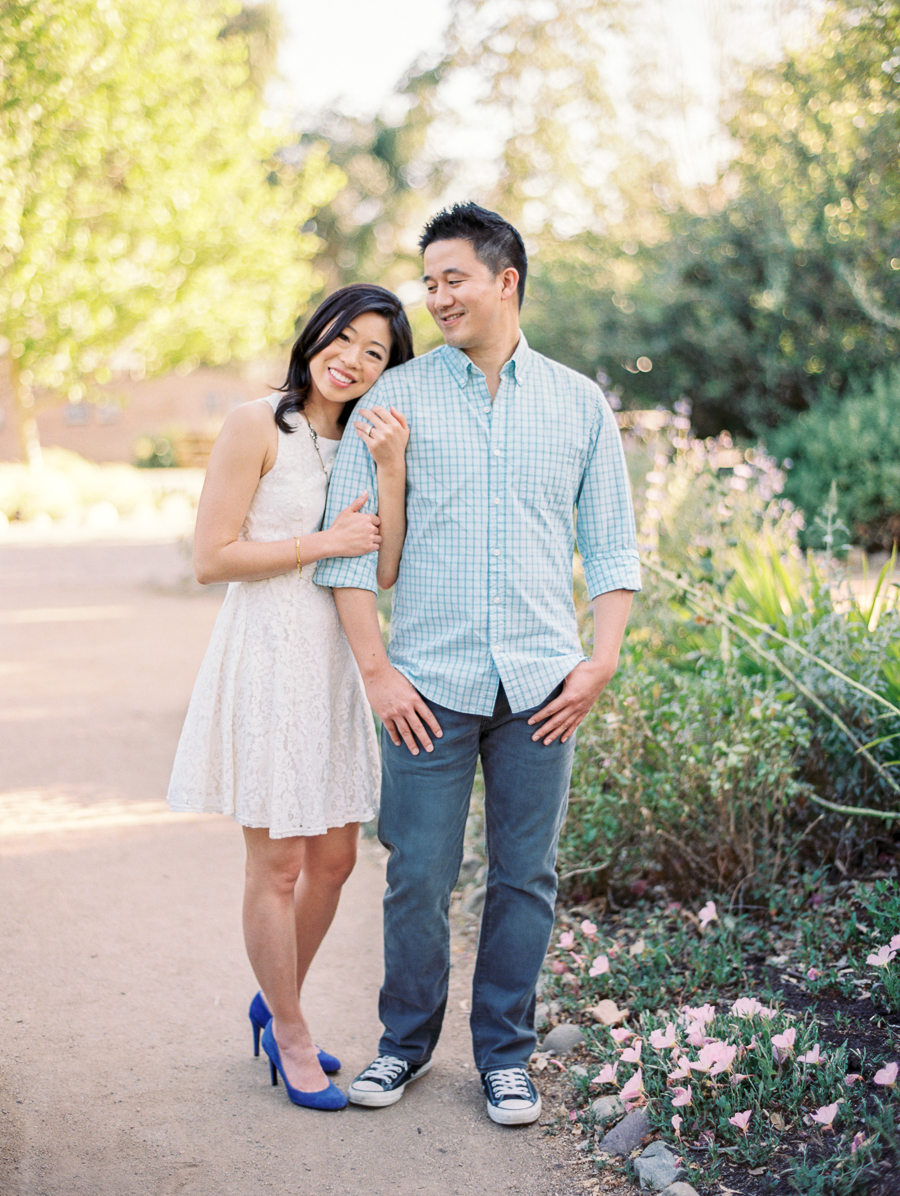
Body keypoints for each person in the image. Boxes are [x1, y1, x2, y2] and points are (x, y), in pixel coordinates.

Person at [316, 204, 641, 1125]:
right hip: (428, 682)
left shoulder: (579, 403)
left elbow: (613, 551)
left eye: (452, 278)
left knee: (524, 876)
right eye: (429, 282)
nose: (437, 296)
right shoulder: (396, 400)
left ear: (506, 280)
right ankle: (403, 1047)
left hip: (544, 686)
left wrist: (600, 661)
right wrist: (377, 672)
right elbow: (350, 556)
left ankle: (506, 1054)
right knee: (417, 872)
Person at [166, 284, 414, 1111]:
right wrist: (320, 543)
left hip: (336, 664)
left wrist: (388, 471)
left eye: (375, 352)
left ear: (388, 371)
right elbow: (211, 556)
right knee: (276, 866)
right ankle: (294, 1029)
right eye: (344, 338)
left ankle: (276, 1002)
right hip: (269, 655)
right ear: (316, 335)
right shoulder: (256, 423)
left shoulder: (362, 441)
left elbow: (380, 569)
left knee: (336, 862)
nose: (352, 359)